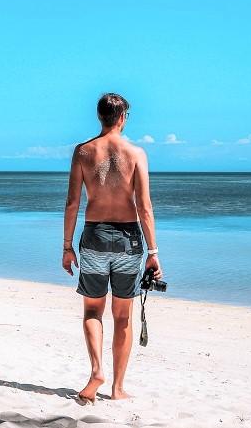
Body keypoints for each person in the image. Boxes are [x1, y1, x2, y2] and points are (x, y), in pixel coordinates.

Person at [62, 92, 162, 403]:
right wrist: (153, 252)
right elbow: (144, 206)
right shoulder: (136, 153)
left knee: (93, 309)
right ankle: (118, 388)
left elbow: (72, 203)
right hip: (129, 240)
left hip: (93, 236)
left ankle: (96, 371)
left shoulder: (83, 152)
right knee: (123, 316)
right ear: (122, 118)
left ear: (100, 117)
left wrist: (67, 246)